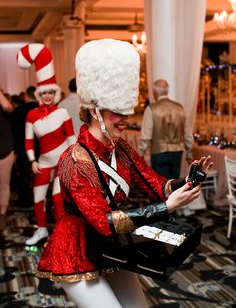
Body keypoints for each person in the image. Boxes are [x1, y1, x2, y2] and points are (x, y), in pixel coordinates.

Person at [35, 39, 213, 308]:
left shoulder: (122, 148)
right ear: (95, 111)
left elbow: (158, 185)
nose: (126, 118)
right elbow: (104, 222)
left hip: (111, 245)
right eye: (118, 112)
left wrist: (189, 180)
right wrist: (166, 207)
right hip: (75, 250)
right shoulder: (74, 161)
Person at [17, 43, 76, 245]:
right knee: (38, 199)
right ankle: (41, 231)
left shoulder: (63, 113)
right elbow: (28, 141)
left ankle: (60, 232)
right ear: (39, 95)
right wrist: (32, 160)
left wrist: (72, 159)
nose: (48, 96)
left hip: (61, 162)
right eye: (44, 93)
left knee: (58, 200)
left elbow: (71, 138)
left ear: (55, 93)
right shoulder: (31, 115)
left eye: (51, 92)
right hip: (42, 162)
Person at [139, 79, 194, 179]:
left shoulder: (151, 109)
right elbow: (188, 134)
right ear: (167, 91)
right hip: (177, 153)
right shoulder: (180, 108)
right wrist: (189, 154)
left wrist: (141, 154)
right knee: (173, 183)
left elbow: (145, 136)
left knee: (161, 186)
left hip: (159, 153)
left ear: (155, 93)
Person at [12, 85, 38, 208]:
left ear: (26, 95)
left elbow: (15, 132)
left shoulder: (18, 111)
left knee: (23, 174)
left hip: (23, 146)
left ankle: (25, 200)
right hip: (40, 146)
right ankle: (40, 199)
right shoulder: (41, 110)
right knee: (40, 174)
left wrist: (15, 149)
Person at [0, 88, 14, 225]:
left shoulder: (5, 109)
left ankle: (2, 214)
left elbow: (7, 106)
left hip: (4, 150)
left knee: (3, 185)